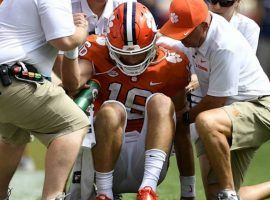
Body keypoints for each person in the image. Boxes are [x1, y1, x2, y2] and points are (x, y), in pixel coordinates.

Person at [61, 2, 190, 200]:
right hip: (106, 155)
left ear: (155, 42)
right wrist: (70, 48)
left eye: (139, 54)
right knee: (111, 109)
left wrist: (188, 190)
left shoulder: (172, 64)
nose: (131, 61)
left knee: (161, 102)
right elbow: (72, 84)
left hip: (150, 156)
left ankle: (148, 190)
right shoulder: (97, 48)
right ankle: (104, 193)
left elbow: (181, 129)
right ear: (109, 42)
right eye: (123, 54)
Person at [159, 0, 270, 199]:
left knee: (206, 121)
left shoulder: (223, 45)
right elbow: (166, 42)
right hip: (227, 113)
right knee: (213, 196)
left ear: (203, 26)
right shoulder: (198, 30)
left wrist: (180, 120)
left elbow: (214, 102)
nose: (181, 38)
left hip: (258, 106)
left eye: (185, 33)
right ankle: (229, 195)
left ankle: (228, 193)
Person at [0, 0, 90, 199]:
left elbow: (71, 80)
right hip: (12, 80)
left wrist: (71, 34)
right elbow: (64, 41)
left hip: (7, 82)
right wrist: (81, 31)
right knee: (74, 125)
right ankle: (52, 196)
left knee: (15, 138)